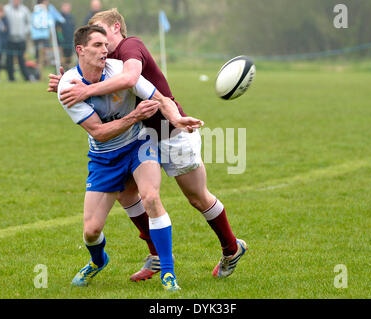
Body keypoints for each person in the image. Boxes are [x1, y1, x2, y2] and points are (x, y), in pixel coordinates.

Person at [48, 8, 247, 282]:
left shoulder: (131, 47)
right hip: (140, 137)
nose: (103, 46)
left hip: (170, 131)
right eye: (97, 42)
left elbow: (129, 79)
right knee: (129, 196)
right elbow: (99, 79)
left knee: (197, 197)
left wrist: (86, 90)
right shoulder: (108, 60)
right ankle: (157, 255)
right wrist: (70, 81)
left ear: (116, 27)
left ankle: (231, 248)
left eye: (103, 35)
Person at [58, 25, 203, 291]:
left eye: (106, 45)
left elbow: (160, 98)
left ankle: (168, 273)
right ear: (81, 50)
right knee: (91, 232)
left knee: (151, 197)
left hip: (139, 145)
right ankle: (98, 261)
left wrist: (177, 118)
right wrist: (134, 116)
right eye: (98, 46)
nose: (106, 50)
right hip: (104, 157)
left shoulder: (119, 70)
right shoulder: (68, 86)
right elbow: (99, 133)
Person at [31, 0, 65, 77]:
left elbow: (60, 19)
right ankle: (38, 74)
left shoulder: (49, 8)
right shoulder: (41, 10)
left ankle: (42, 73)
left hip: (41, 36)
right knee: (39, 57)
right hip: (40, 36)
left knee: (44, 56)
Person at [4, 0, 31, 82]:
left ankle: (26, 77)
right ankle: (11, 78)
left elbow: (29, 22)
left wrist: (24, 31)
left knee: (21, 60)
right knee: (9, 60)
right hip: (10, 39)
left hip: (21, 39)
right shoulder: (6, 9)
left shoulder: (25, 10)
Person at [57, 2, 75, 69]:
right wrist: (60, 40)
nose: (67, 9)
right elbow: (58, 30)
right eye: (65, 7)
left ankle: (68, 69)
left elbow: (73, 28)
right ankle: (61, 69)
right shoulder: (59, 18)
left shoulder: (71, 17)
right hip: (62, 42)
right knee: (62, 57)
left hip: (70, 41)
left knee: (69, 57)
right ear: (62, 8)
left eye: (68, 8)